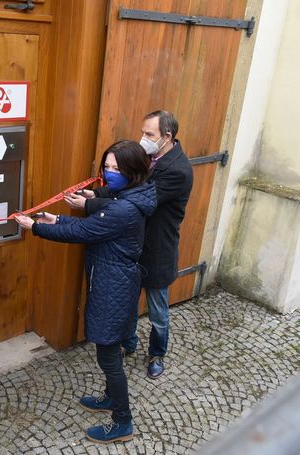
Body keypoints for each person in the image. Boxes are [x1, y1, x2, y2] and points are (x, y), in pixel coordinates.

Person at [15, 141, 156, 444]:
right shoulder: (127, 197)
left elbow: (82, 232)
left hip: (113, 284)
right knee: (109, 349)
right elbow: (94, 226)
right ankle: (108, 398)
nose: (110, 172)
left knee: (108, 356)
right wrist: (58, 218)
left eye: (117, 168)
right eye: (107, 166)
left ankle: (123, 421)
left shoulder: (124, 207)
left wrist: (36, 227)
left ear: (134, 171)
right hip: (112, 279)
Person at [65, 110, 193, 379]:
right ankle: (129, 343)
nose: (142, 139)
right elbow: (129, 185)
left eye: (149, 134)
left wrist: (89, 204)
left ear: (167, 137)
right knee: (128, 304)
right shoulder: (149, 158)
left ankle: (157, 353)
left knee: (158, 309)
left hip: (156, 249)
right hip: (132, 246)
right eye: (143, 132)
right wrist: (98, 192)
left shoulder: (177, 170)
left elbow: (138, 201)